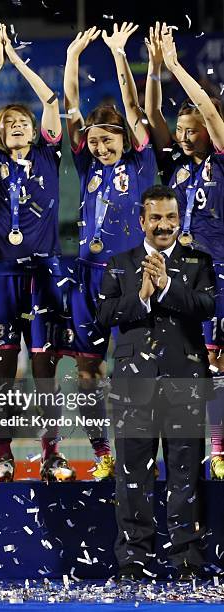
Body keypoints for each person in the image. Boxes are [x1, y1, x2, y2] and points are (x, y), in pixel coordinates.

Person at [0, 24, 69, 482]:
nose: (14, 127)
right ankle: (5, 456)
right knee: (4, 370)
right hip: (3, 273)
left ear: (35, 131)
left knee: (45, 372)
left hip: (44, 274)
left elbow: (50, 101)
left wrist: (20, 62)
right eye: (8, 124)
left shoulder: (49, 155)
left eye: (21, 123)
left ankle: (52, 454)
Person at [97, 185, 214, 582]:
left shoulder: (199, 262)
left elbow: (207, 306)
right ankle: (133, 559)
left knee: (185, 472)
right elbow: (104, 315)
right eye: (157, 218)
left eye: (171, 218)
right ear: (141, 221)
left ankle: (187, 559)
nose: (165, 225)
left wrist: (167, 287)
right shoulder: (118, 263)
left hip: (184, 379)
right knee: (132, 474)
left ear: (179, 219)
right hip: (134, 384)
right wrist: (143, 296)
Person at [63, 23, 158, 479]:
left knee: (138, 371)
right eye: (95, 140)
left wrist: (120, 56)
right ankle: (102, 452)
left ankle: (141, 454)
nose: (100, 146)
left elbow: (135, 107)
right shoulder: (86, 164)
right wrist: (72, 59)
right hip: (87, 275)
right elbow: (69, 108)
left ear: (124, 139)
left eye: (108, 139)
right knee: (87, 372)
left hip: (133, 275)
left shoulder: (141, 162)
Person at [145, 24, 224, 480]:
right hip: (177, 275)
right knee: (178, 361)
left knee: (216, 360)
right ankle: (179, 446)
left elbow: (214, 121)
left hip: (217, 272)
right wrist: (156, 67)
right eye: (181, 131)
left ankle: (216, 447)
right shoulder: (171, 164)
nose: (184, 136)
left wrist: (177, 66)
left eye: (192, 131)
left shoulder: (220, 158)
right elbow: (152, 114)